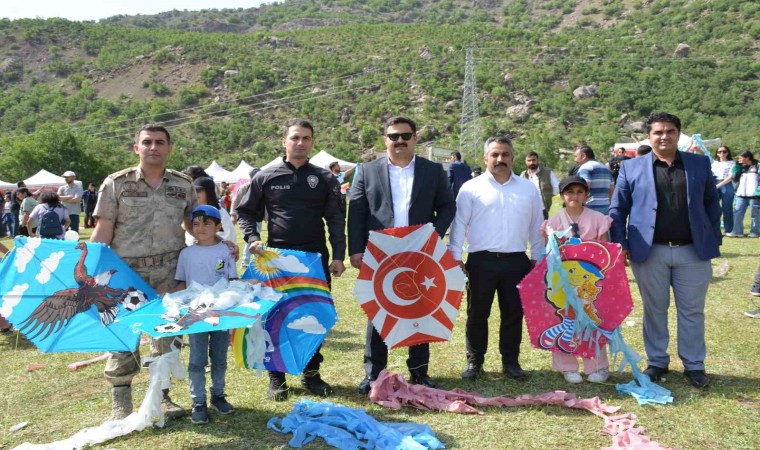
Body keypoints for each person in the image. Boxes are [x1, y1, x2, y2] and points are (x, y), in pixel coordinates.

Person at [91, 124, 198, 420]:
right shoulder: (116, 183)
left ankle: (162, 396)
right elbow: (103, 230)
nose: (153, 147)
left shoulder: (184, 185)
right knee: (122, 335)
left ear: (169, 148)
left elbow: (194, 225)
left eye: (160, 142)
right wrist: (88, 266)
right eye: (147, 142)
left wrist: (218, 244)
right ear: (136, 148)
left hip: (170, 273)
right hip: (126, 273)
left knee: (166, 335)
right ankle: (121, 401)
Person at [237, 118, 346, 401]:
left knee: (314, 315)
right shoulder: (266, 176)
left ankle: (312, 374)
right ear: (284, 141)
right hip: (276, 259)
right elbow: (245, 212)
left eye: (306, 138)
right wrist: (252, 238)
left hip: (314, 260)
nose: (300, 143)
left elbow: (336, 219)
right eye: (295, 138)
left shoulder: (324, 178)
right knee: (276, 317)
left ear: (312, 142)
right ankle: (277, 378)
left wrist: (338, 256)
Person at [610, 112, 721, 389]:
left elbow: (712, 203)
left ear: (678, 134)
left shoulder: (699, 163)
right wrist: (622, 244)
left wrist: (712, 237)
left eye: (670, 131)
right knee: (655, 309)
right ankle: (657, 362)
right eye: (658, 132)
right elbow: (618, 209)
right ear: (649, 136)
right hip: (649, 252)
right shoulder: (631, 168)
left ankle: (694, 364)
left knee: (692, 311)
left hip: (692, 251)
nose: (664, 136)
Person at [349, 116, 455, 393]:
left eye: (405, 136)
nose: (400, 141)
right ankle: (374, 374)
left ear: (415, 138)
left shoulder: (433, 170)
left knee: (420, 308)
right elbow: (357, 212)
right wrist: (356, 250)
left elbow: (447, 206)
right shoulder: (367, 171)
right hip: (381, 252)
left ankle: (419, 372)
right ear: (385, 140)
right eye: (393, 136)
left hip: (420, 251)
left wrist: (432, 235)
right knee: (378, 312)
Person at [449, 136, 543, 381]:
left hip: (517, 262)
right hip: (481, 261)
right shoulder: (470, 188)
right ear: (485, 158)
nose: (500, 159)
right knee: (477, 314)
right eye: (495, 154)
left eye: (505, 154)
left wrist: (537, 257)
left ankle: (510, 362)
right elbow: (459, 224)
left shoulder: (528, 189)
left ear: (512, 157)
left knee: (513, 314)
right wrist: (455, 256)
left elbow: (537, 226)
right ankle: (475, 361)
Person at [541, 176, 612, 383]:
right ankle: (567, 366)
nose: (575, 196)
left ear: (586, 195)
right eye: (569, 192)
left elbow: (605, 250)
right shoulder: (554, 221)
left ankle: (598, 366)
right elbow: (549, 252)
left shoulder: (598, 218)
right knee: (564, 319)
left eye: (580, 192)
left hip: (589, 280)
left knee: (592, 320)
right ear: (562, 195)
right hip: (563, 281)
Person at [176, 205, 237, 424]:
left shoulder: (226, 251)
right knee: (197, 359)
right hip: (195, 314)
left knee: (219, 357)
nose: (201, 228)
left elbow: (233, 281)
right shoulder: (186, 253)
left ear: (218, 226)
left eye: (207, 224)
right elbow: (182, 284)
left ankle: (218, 396)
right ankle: (198, 402)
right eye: (196, 224)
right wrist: (169, 300)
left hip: (221, 313)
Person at [187, 177, 236, 246]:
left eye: (199, 191)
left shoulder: (220, 212)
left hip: (215, 250)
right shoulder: (192, 210)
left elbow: (227, 236)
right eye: (194, 190)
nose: (195, 193)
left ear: (208, 191)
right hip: (193, 249)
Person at [230, 168, 261, 270]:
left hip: (258, 217)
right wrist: (233, 214)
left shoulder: (262, 186)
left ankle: (252, 260)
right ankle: (245, 261)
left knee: (256, 239)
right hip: (246, 218)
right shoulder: (244, 188)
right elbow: (235, 201)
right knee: (251, 239)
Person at [726, 151, 759, 238]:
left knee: (755, 214)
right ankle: (737, 231)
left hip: (754, 195)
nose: (739, 159)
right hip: (740, 194)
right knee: (737, 213)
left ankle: (755, 232)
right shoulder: (739, 167)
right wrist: (737, 166)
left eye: (741, 158)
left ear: (747, 158)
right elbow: (734, 177)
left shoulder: (757, 166)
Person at [574, 145, 614, 214]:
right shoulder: (606, 168)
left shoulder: (585, 167)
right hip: (605, 208)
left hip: (590, 208)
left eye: (576, 156)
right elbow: (612, 190)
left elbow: (585, 186)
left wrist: (579, 204)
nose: (575, 160)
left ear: (583, 156)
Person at [520, 151, 560, 219]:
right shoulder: (523, 175)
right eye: (529, 160)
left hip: (543, 210)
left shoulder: (548, 172)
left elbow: (557, 188)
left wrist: (548, 197)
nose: (531, 163)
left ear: (538, 160)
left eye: (533, 160)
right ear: (525, 161)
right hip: (528, 210)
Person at [712, 146, 736, 234]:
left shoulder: (732, 163)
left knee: (727, 208)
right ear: (717, 153)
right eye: (719, 152)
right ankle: (715, 228)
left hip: (726, 184)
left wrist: (718, 185)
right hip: (714, 182)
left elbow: (731, 177)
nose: (722, 153)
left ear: (728, 153)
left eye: (724, 151)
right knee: (713, 207)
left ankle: (729, 229)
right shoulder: (714, 163)